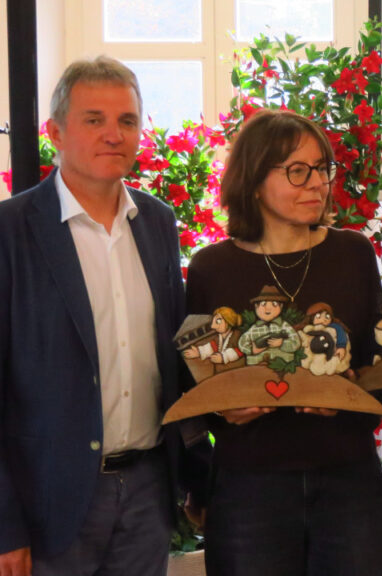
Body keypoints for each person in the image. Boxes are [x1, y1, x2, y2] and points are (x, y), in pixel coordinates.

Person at [0, 56, 203, 576]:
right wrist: (5, 526)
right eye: (94, 120)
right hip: (48, 500)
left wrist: (197, 472)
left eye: (127, 121)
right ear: (55, 132)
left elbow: (173, 359)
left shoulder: (157, 222)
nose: (114, 134)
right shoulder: (10, 230)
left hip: (147, 490)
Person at [184, 109, 382, 575]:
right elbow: (190, 383)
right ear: (254, 180)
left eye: (322, 168)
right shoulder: (210, 269)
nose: (317, 183)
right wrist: (223, 411)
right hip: (249, 484)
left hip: (348, 477)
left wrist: (348, 393)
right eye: (298, 171)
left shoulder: (353, 254)